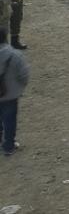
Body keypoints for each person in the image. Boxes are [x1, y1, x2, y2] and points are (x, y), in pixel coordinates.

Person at [0, 28, 30, 156]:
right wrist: (20, 87)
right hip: (10, 95)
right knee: (9, 121)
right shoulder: (14, 55)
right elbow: (24, 74)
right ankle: (8, 146)